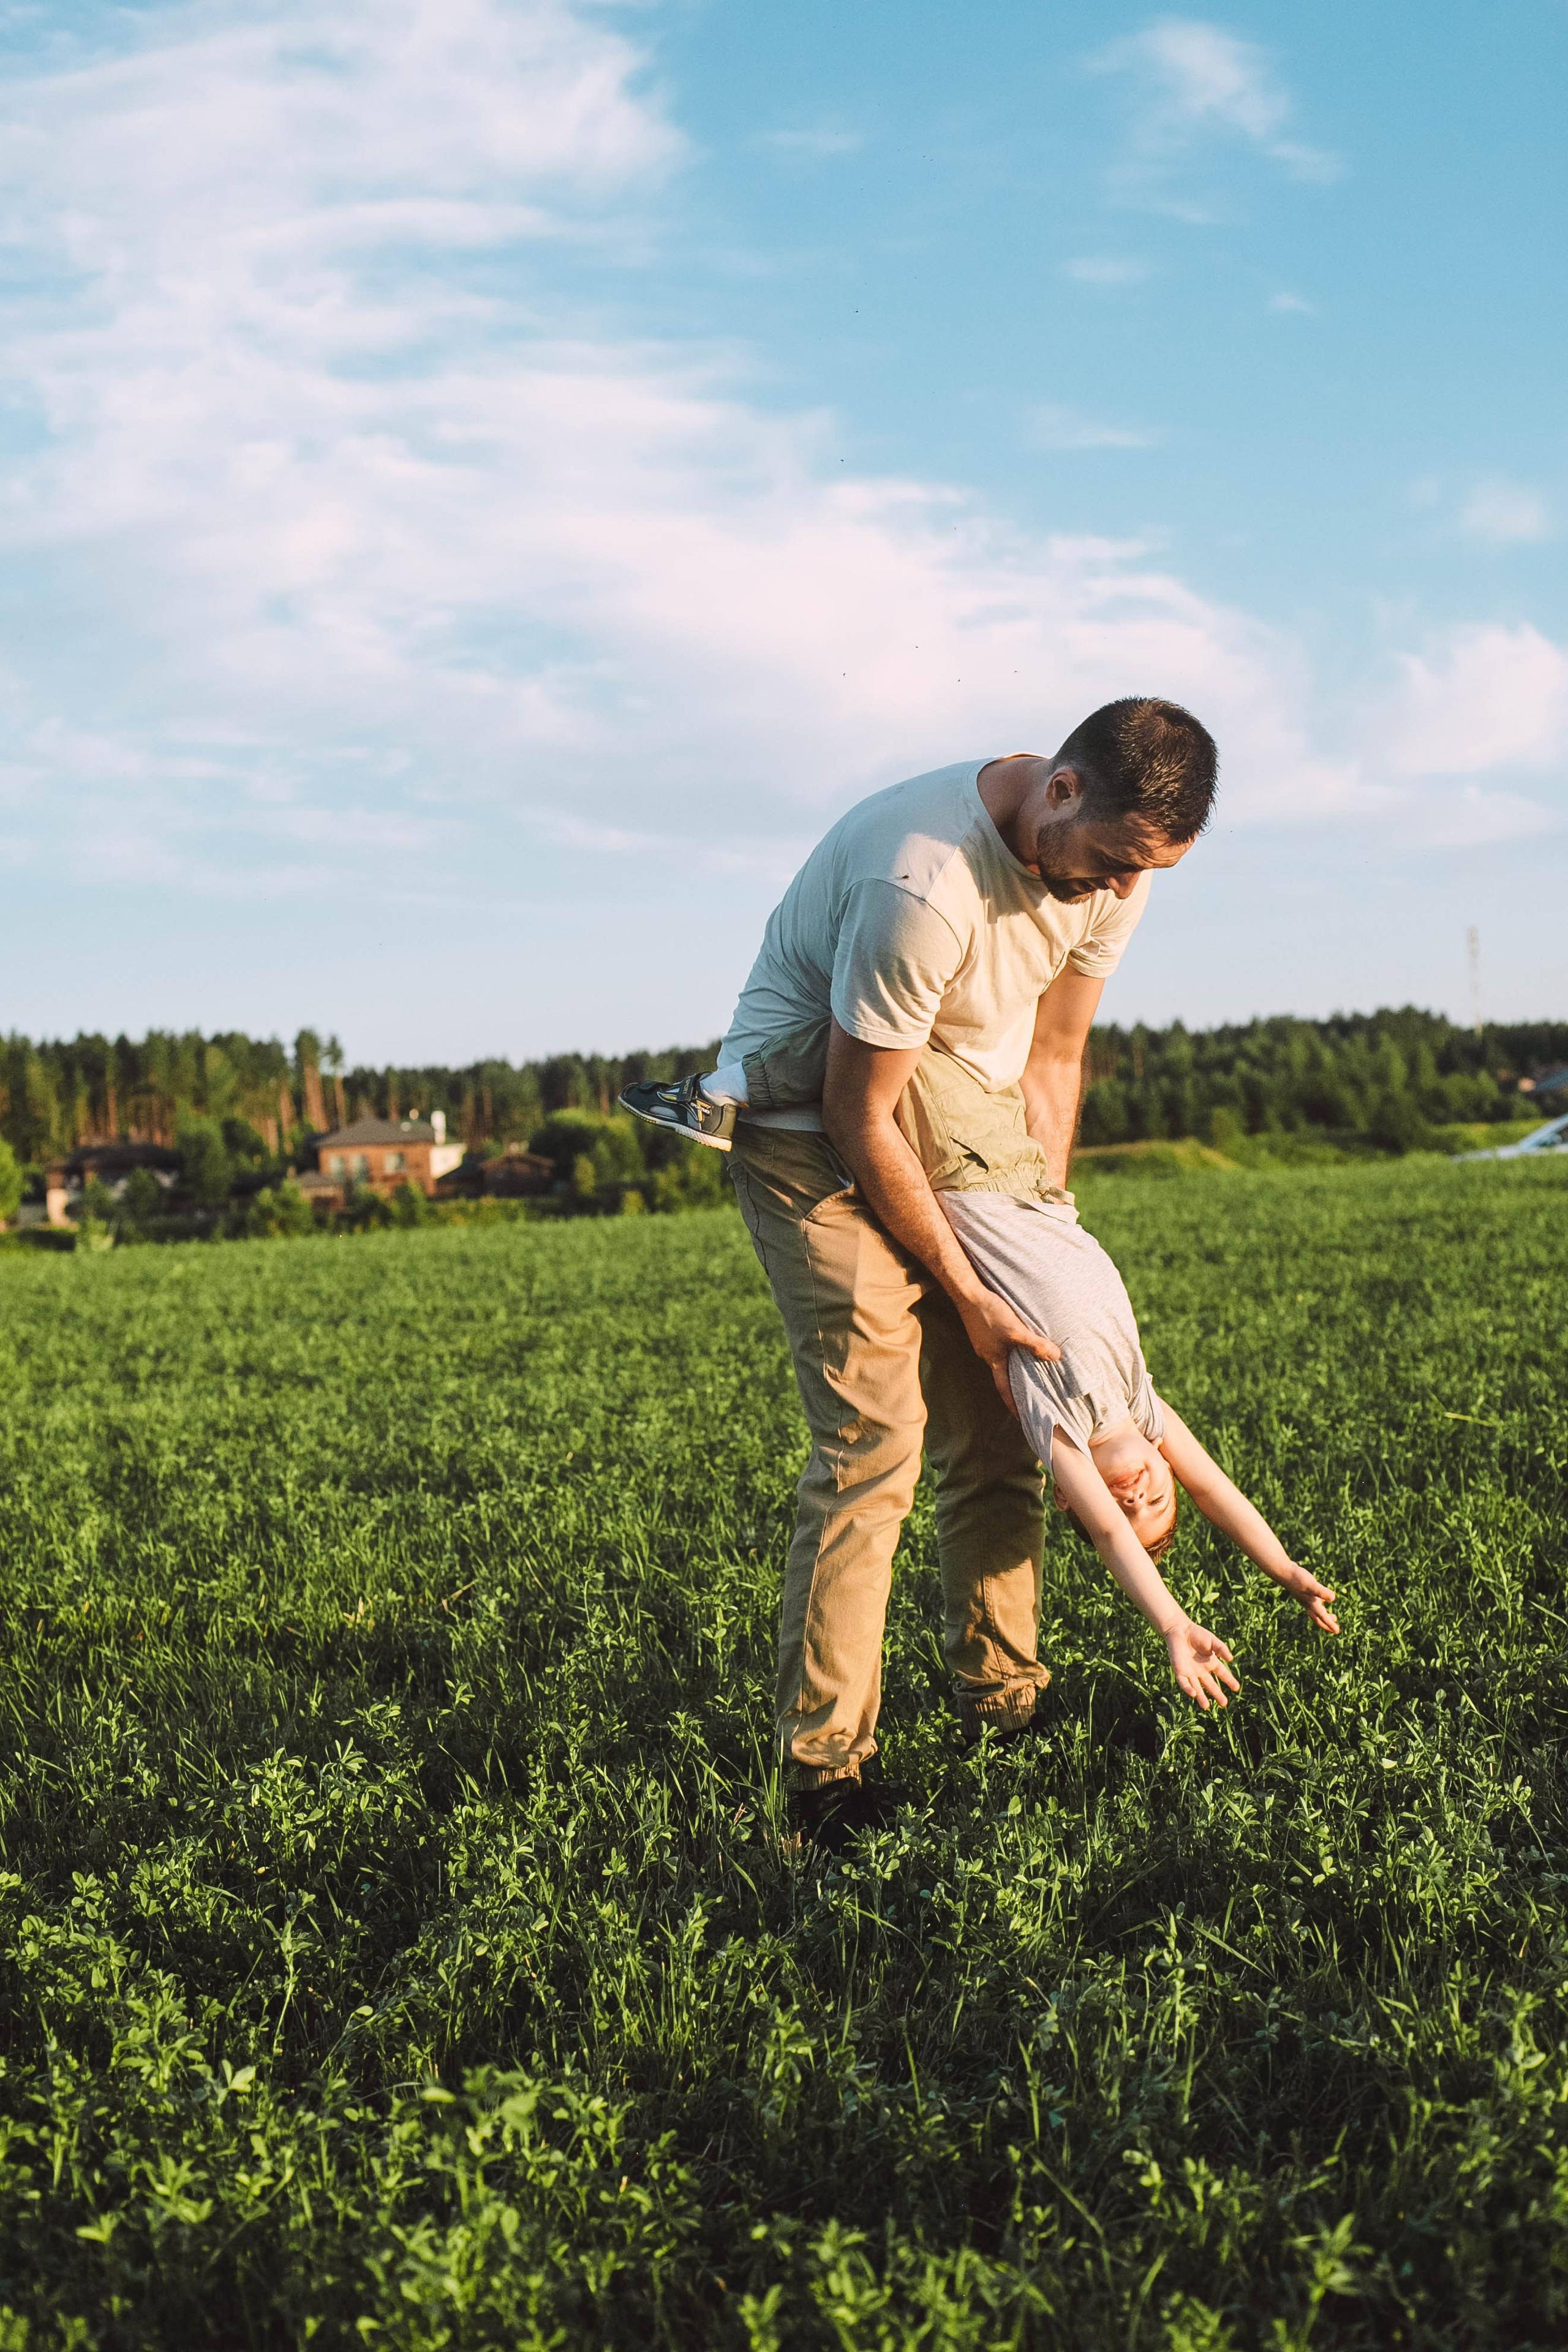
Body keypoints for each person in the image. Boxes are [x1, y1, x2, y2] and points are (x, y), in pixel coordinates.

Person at [623, 698, 1220, 1847]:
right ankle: (825, 1780)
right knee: (875, 1444)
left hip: (961, 1134)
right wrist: (968, 1292)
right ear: (1061, 790)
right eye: (1104, 865)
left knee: (1006, 1429)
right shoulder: (925, 882)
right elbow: (861, 1115)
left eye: (1138, 877)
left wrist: (1034, 1250)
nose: (1109, 894)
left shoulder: (1117, 872)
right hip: (814, 1129)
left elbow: (1052, 1058)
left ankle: (1006, 1704)